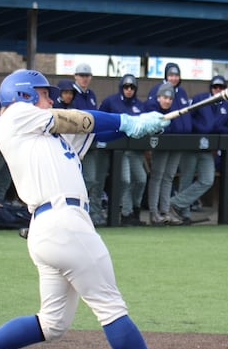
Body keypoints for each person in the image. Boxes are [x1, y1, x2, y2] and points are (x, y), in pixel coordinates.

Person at [0, 68, 185, 349]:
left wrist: (141, 124)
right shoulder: (15, 117)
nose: (51, 98)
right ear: (23, 95)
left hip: (52, 228)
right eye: (43, 93)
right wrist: (128, 121)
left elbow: (95, 130)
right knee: (110, 306)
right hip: (64, 222)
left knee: (52, 323)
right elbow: (77, 118)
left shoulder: (46, 136)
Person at [170, 75, 228, 225]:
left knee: (207, 179)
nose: (217, 90)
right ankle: (183, 213)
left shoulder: (227, 106)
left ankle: (174, 203)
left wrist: (213, 128)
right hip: (192, 144)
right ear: (211, 87)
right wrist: (201, 128)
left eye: (221, 87)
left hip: (207, 148)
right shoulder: (201, 98)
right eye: (215, 87)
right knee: (186, 177)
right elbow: (188, 118)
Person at [98, 74, 147, 226]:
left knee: (141, 179)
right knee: (124, 180)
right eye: (126, 87)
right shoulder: (110, 101)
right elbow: (101, 119)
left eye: (132, 87)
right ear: (121, 87)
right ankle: (123, 212)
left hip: (134, 149)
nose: (129, 90)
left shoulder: (139, 105)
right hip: (117, 148)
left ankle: (135, 210)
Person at [143, 82, 191, 225]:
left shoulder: (176, 110)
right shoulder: (152, 109)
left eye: (170, 99)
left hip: (175, 145)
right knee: (157, 176)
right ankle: (153, 212)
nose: (167, 101)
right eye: (164, 97)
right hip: (160, 147)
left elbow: (180, 127)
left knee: (169, 176)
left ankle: (165, 211)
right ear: (158, 97)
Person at [70, 63, 108, 226]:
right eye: (81, 75)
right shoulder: (71, 94)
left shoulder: (90, 94)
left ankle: (88, 212)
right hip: (73, 144)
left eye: (87, 76)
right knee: (74, 179)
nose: (84, 79)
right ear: (75, 76)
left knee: (91, 179)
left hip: (89, 143)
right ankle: (74, 211)